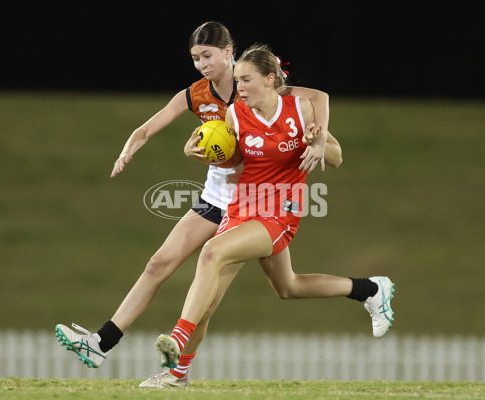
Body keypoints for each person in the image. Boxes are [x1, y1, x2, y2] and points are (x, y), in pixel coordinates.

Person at [54, 21, 345, 388]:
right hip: (217, 198)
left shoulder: (254, 85)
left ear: (228, 52)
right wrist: (131, 149)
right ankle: (101, 342)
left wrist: (318, 142)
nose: (202, 64)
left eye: (207, 56)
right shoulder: (197, 94)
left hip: (258, 202)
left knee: (272, 288)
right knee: (160, 263)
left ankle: (177, 367)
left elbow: (315, 101)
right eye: (195, 58)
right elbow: (147, 128)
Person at [153, 44, 395, 377]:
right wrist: (197, 153)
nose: (239, 88)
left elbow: (337, 159)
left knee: (211, 252)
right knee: (283, 288)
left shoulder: (300, 111)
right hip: (241, 209)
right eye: (237, 81)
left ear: (270, 80)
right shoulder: (235, 114)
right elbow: (234, 160)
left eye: (247, 80)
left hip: (279, 213)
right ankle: (371, 289)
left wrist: (319, 141)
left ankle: (178, 339)